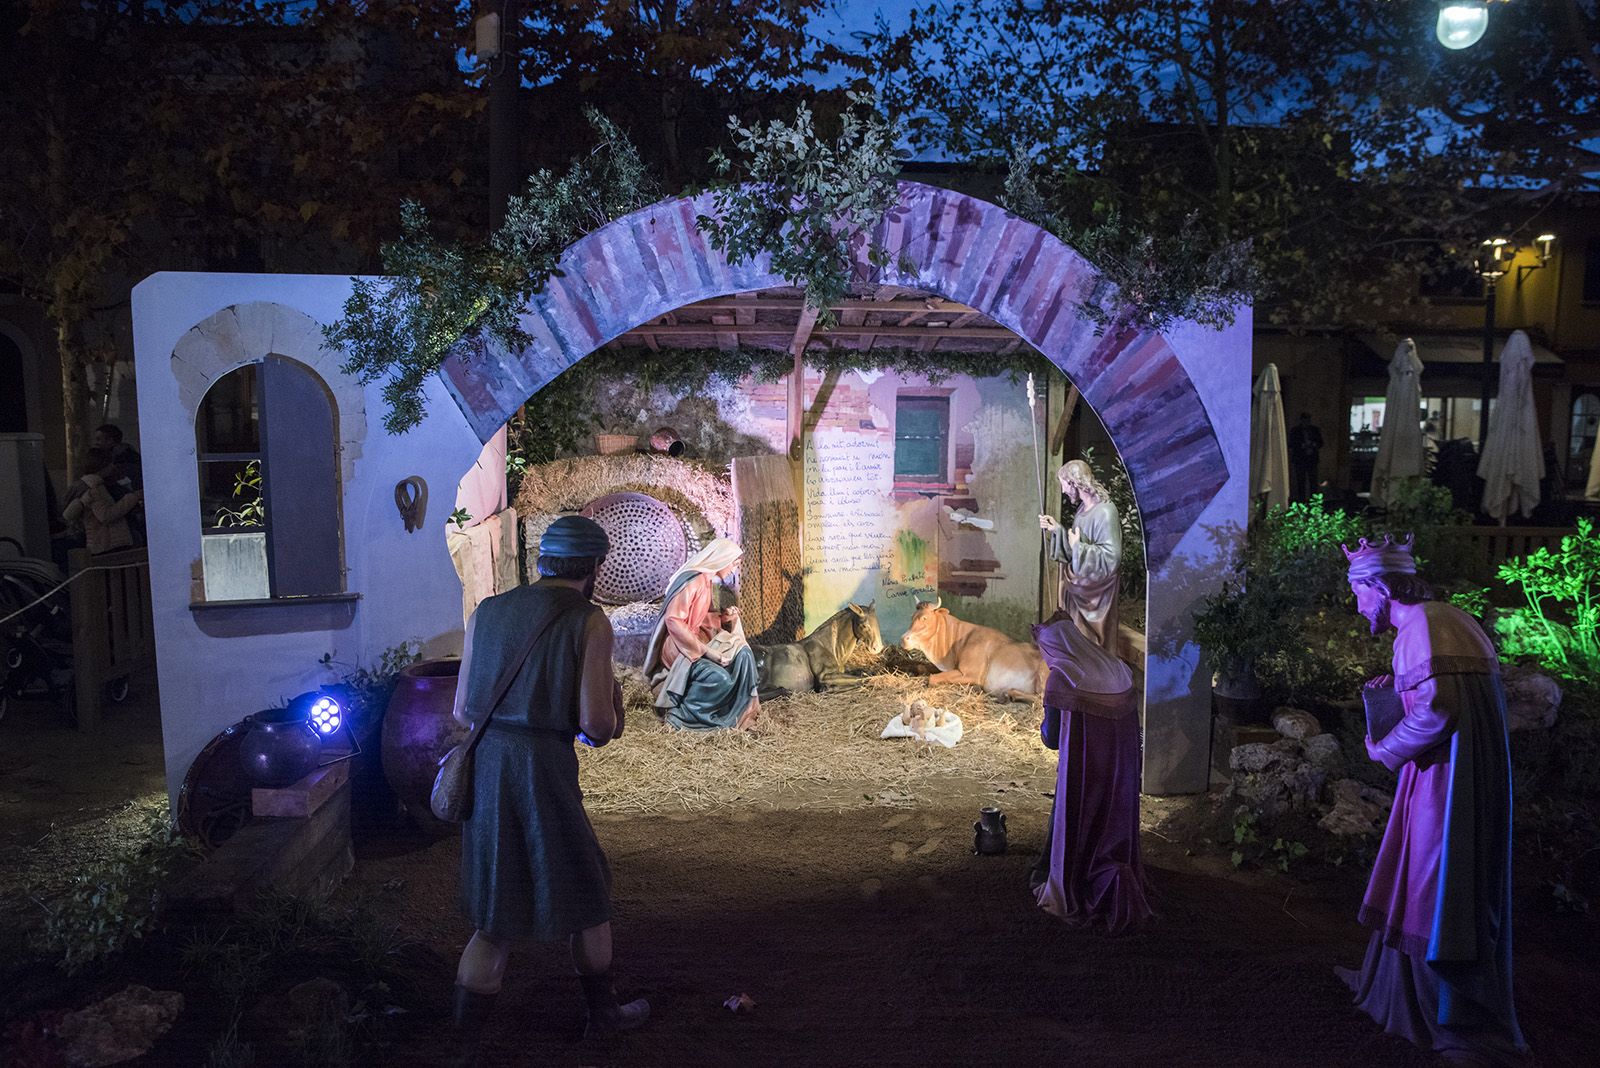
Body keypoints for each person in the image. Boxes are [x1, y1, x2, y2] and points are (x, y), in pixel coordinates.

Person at [451, 516, 649, 1052]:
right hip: (542, 770)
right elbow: (598, 727)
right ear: (595, 568)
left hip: (490, 769)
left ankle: (465, 1046)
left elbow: (463, 708)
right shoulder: (588, 621)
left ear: (544, 559)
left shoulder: (486, 612)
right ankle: (602, 1014)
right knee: (586, 888)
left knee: (495, 913)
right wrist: (613, 698)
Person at [1337, 534, 1529, 1066]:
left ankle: (1441, 1012)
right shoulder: (1452, 618)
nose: (1356, 606)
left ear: (1378, 586)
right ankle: (1388, 985)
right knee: (1420, 875)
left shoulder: (1418, 627)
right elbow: (1444, 700)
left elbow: (1439, 710)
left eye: (1357, 593)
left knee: (1429, 882)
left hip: (1445, 786)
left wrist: (1383, 747)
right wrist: (1392, 699)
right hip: (1461, 775)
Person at [1029, 611, 1153, 934]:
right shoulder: (1116, 667)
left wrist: (1046, 719)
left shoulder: (1062, 676)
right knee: (1111, 821)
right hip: (1121, 772)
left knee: (1071, 817)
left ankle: (1073, 880)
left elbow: (1052, 739)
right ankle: (1115, 872)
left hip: (1084, 773)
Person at [641, 537, 761, 731]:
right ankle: (680, 718)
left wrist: (723, 619)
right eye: (734, 563)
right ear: (722, 558)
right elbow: (674, 620)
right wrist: (706, 651)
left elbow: (702, 617)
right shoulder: (693, 580)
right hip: (680, 646)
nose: (733, 569)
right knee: (719, 678)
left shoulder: (706, 581)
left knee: (744, 655)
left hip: (698, 640)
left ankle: (740, 713)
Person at [1037, 459, 1121, 650]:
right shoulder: (1082, 511)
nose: (1063, 490)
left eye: (1064, 484)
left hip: (1094, 600)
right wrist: (1058, 530)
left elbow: (1112, 559)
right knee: (1075, 647)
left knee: (1089, 649)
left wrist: (1079, 547)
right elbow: (1074, 550)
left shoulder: (1106, 512)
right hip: (1077, 594)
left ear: (1074, 482)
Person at [60, 447, 143, 556]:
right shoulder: (95, 487)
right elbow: (105, 515)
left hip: (98, 540)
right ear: (103, 466)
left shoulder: (84, 484)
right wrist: (133, 497)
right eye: (110, 464)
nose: (113, 467)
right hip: (107, 541)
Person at [1288, 412, 1323, 502]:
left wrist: (1313, 444)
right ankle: (1301, 500)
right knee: (1301, 481)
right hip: (1300, 459)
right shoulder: (1295, 431)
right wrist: (1302, 445)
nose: (1306, 421)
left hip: (1312, 459)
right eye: (1305, 419)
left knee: (1313, 482)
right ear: (1301, 420)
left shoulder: (1314, 430)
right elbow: (1291, 443)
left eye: (1308, 419)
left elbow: (1321, 442)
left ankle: (1314, 501)